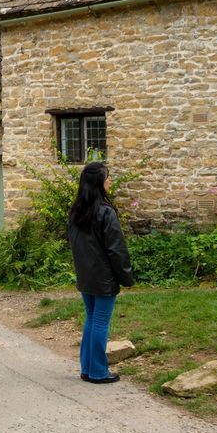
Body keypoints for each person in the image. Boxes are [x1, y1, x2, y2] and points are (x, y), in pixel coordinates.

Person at [67, 161, 135, 385]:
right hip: (103, 277)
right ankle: (97, 371)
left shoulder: (76, 211)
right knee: (100, 322)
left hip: (85, 275)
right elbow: (116, 249)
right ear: (99, 183)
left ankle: (87, 368)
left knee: (91, 319)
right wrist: (126, 277)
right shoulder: (105, 213)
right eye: (107, 178)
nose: (110, 182)